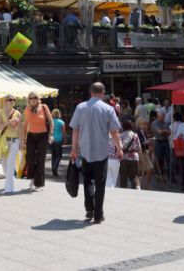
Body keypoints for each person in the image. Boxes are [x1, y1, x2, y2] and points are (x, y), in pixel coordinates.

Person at [70, 82, 122, 224]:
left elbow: (75, 130)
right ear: (103, 93)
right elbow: (114, 132)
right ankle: (98, 214)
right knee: (100, 183)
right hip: (101, 152)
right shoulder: (108, 109)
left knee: (87, 180)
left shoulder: (80, 107)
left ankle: (89, 209)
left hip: (85, 151)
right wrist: (119, 148)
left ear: (91, 92)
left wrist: (74, 149)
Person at [21, 92, 53, 192]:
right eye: (31, 98)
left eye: (35, 97)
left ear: (38, 98)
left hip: (43, 136)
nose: (33, 99)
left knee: (40, 160)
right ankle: (34, 177)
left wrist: (51, 135)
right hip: (31, 136)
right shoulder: (27, 109)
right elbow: (25, 124)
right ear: (28, 99)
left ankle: (38, 184)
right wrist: (23, 140)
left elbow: (51, 121)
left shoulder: (44, 107)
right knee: (29, 159)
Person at [0, 94, 22, 193]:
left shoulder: (17, 113)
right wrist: (10, 122)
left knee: (11, 163)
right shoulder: (0, 112)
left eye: (13, 100)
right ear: (5, 101)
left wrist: (22, 141)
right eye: (10, 99)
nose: (12, 101)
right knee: (4, 164)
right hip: (4, 141)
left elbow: (19, 128)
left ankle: (9, 188)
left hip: (14, 140)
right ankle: (11, 178)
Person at [118, 119, 141, 189]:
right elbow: (139, 148)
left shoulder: (120, 135)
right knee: (134, 176)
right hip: (134, 158)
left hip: (123, 158)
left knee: (123, 177)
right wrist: (141, 159)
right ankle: (137, 190)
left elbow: (118, 147)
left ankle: (123, 192)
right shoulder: (135, 135)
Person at [150, 110, 171, 182]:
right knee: (159, 159)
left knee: (169, 158)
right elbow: (159, 132)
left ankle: (170, 175)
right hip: (158, 142)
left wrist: (163, 131)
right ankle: (159, 175)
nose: (164, 118)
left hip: (166, 142)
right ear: (158, 116)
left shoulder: (165, 123)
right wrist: (165, 131)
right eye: (162, 116)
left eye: (164, 116)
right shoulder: (154, 123)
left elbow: (170, 132)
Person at [136, 117, 154, 189]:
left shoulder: (143, 132)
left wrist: (148, 143)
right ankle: (138, 186)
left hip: (144, 152)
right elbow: (139, 143)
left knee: (149, 169)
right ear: (139, 124)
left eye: (146, 124)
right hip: (140, 153)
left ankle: (146, 186)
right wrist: (147, 142)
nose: (146, 125)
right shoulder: (137, 132)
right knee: (140, 171)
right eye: (144, 124)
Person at [50, 109, 66, 177]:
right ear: (59, 114)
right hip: (58, 140)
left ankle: (54, 171)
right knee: (59, 155)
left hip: (51, 140)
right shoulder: (61, 122)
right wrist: (65, 139)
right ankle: (55, 167)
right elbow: (63, 132)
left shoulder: (50, 122)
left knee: (53, 155)